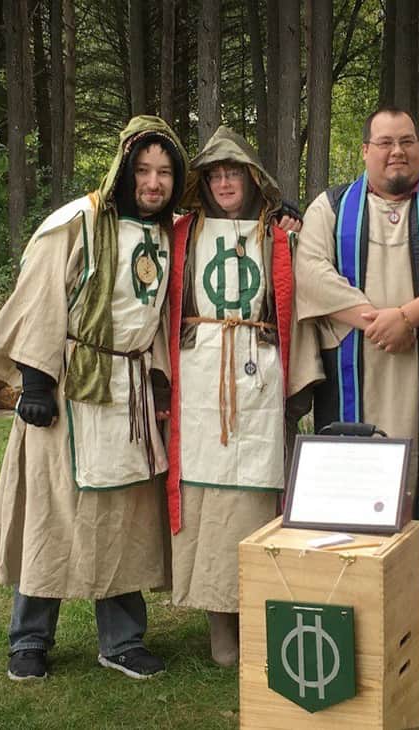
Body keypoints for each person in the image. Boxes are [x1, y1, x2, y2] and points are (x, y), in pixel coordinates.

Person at [0, 116, 188, 681]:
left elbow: (156, 314)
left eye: (165, 172)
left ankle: (122, 640)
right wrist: (37, 381)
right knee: (53, 513)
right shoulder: (78, 221)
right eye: (143, 169)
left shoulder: (166, 234)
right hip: (69, 390)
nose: (153, 182)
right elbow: (39, 295)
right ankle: (29, 639)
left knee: (121, 518)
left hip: (130, 397)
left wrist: (160, 379)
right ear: (123, 169)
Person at [293, 107, 419, 633]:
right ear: (365, 150)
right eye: (384, 142)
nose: (396, 151)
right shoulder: (331, 207)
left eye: (407, 140)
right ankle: (353, 580)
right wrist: (379, 322)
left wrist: (408, 318)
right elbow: (310, 270)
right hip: (354, 364)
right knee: (353, 465)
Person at [165, 125, 319, 666]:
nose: (225, 181)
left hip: (258, 381)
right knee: (208, 507)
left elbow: (302, 299)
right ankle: (219, 623)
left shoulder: (279, 236)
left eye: (234, 172)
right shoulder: (181, 234)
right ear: (203, 184)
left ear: (252, 179)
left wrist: (300, 379)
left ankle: (260, 614)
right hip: (201, 382)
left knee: (255, 502)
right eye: (215, 174)